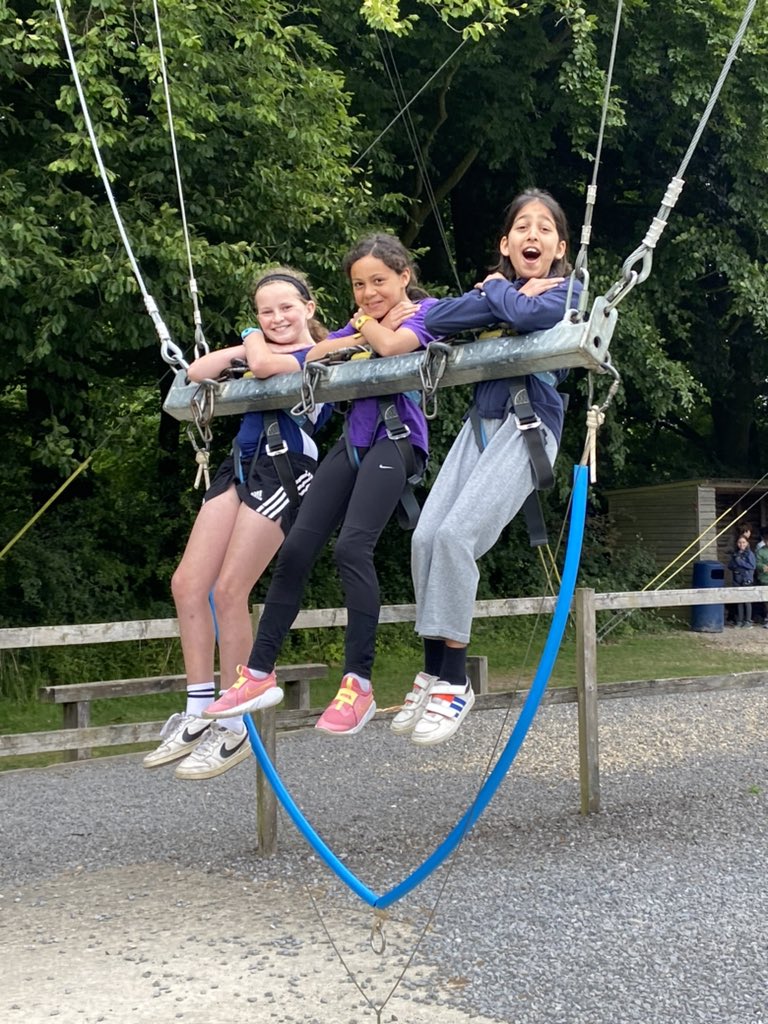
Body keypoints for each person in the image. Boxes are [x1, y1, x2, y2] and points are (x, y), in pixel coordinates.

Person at [203, 233, 444, 735]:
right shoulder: (361, 321)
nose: (369, 292)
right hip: (353, 442)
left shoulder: (424, 314)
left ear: (404, 277)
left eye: (379, 281)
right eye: (359, 285)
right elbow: (322, 350)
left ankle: (358, 683)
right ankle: (258, 670)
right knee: (294, 549)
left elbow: (397, 342)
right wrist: (354, 329)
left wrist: (367, 327)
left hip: (395, 438)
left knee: (351, 549)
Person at [391, 188, 582, 746]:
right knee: (426, 537)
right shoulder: (504, 289)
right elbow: (447, 316)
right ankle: (431, 671)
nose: (532, 235)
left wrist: (498, 291)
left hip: (528, 428)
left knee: (455, 536)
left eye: (544, 229)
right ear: (505, 242)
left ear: (560, 246)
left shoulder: (570, 288)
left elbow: (539, 312)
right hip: (483, 423)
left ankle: (455, 681)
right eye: (521, 227)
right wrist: (504, 295)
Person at [143, 267, 326, 779]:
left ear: (309, 308)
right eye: (264, 313)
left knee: (229, 590)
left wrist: (249, 341)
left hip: (285, 465)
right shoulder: (261, 348)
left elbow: (267, 364)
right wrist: (246, 346)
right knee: (187, 584)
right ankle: (200, 706)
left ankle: (235, 721)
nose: (276, 318)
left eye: (286, 307)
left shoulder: (325, 351)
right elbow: (196, 372)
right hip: (242, 463)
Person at [728, 534, 756, 628]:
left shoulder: (749, 554)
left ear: (747, 543)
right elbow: (730, 566)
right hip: (737, 579)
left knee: (747, 601)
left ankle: (748, 621)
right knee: (739, 600)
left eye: (743, 542)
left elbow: (752, 566)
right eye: (739, 542)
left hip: (746, 579)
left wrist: (740, 562)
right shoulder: (735, 554)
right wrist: (736, 563)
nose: (741, 544)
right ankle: (740, 620)